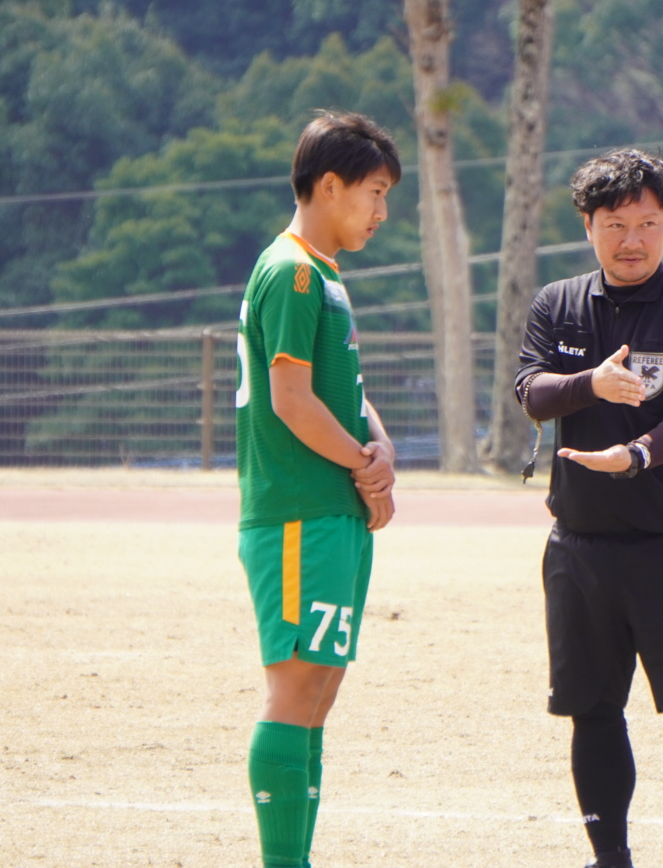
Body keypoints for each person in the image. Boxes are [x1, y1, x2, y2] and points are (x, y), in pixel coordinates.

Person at [514, 149, 663, 868]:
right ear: (588, 226)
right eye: (615, 224)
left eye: (648, 224)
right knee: (593, 710)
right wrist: (591, 385)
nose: (632, 240)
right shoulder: (557, 304)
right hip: (580, 547)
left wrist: (634, 456)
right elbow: (531, 392)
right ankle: (610, 858)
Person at [235, 111, 401, 868]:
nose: (381, 211)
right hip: (298, 511)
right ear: (329, 185)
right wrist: (364, 466)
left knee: (319, 691)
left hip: (331, 512)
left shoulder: (323, 273)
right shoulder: (293, 271)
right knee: (297, 689)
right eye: (375, 192)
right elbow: (291, 401)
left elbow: (341, 392)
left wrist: (379, 445)